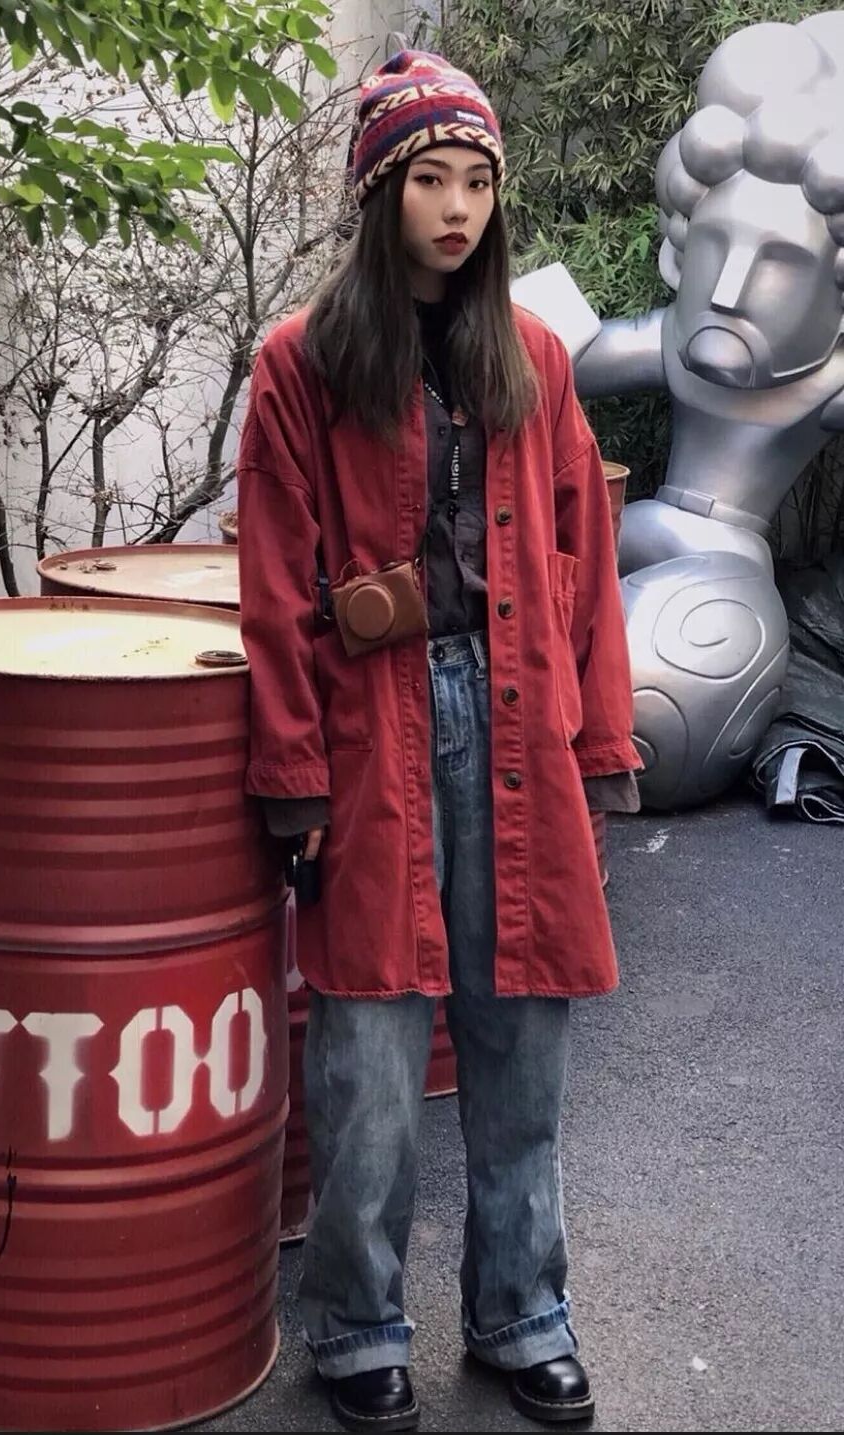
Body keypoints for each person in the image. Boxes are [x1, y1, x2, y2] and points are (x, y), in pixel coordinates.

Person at [236, 49, 641, 1433]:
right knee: (367, 1055)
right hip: (376, 733)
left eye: (477, 182)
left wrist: (603, 740)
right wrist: (294, 778)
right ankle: (359, 1328)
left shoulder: (530, 356)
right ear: (379, 194)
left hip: (519, 716)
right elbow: (276, 587)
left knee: (521, 1042)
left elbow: (587, 556)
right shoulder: (301, 366)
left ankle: (524, 1312)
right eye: (430, 181)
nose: (458, 208)